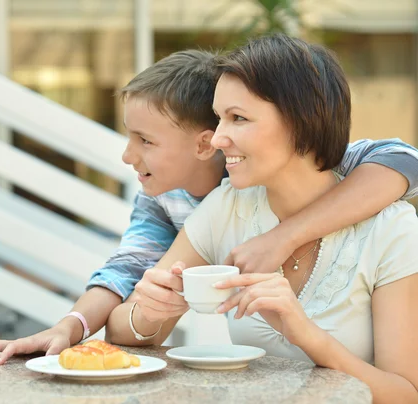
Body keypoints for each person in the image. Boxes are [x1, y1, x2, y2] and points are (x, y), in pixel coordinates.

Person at [0, 49, 418, 366]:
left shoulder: (313, 167)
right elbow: (128, 270)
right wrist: (74, 326)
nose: (128, 156)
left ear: (203, 144)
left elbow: (402, 161)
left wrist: (283, 237)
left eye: (145, 140)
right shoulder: (178, 202)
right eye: (222, 118)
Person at [104, 34, 418, 403]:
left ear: (301, 120)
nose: (218, 139)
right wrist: (147, 312)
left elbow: (405, 393)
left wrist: (304, 333)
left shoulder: (390, 229)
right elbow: (123, 329)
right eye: (220, 119)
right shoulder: (226, 209)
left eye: (238, 118)